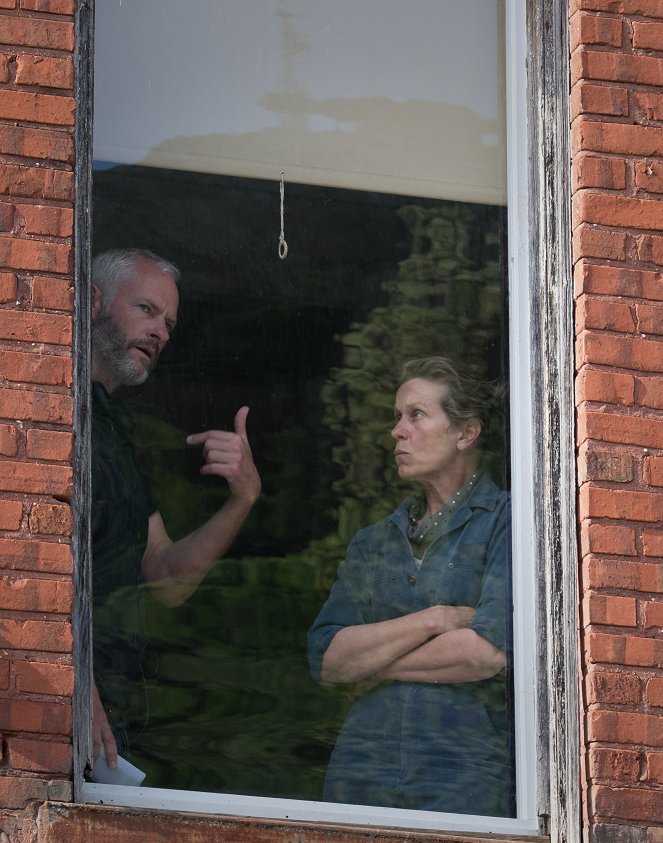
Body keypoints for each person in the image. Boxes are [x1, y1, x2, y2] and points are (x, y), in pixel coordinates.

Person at [307, 356, 513, 817]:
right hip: (361, 772)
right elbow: (329, 658)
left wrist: (375, 665)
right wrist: (434, 620)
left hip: (461, 775)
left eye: (416, 415)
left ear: (465, 434)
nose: (397, 431)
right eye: (396, 417)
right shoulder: (374, 541)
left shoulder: (507, 520)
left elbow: (484, 652)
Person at [90, 248, 261, 773]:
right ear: (91, 300)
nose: (160, 332)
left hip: (110, 718)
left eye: (169, 323)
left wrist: (243, 498)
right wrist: (71, 680)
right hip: (54, 709)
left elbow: (165, 577)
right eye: (145, 310)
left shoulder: (115, 433)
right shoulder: (43, 414)